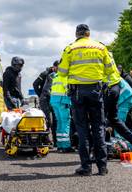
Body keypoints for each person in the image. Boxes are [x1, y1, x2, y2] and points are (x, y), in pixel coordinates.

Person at [58, 24, 111, 176]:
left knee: (82, 130)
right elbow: (109, 69)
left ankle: (86, 167)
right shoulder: (101, 47)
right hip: (96, 91)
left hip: (78, 93)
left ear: (77, 34)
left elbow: (62, 72)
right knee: (99, 128)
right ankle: (102, 167)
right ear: (89, 34)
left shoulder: (70, 48)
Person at [50, 73, 75, 153]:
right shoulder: (65, 75)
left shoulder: (56, 76)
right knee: (65, 122)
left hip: (54, 101)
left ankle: (60, 145)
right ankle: (66, 146)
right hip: (62, 101)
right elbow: (68, 89)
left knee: (59, 122)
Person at [38, 61, 59, 146]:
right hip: (45, 99)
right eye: (58, 68)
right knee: (48, 121)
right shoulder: (48, 74)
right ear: (54, 67)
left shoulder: (57, 75)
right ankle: (45, 140)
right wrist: (41, 95)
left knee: (55, 121)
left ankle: (55, 141)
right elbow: (36, 84)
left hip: (52, 99)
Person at [117, 65, 132, 134]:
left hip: (129, 99)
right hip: (123, 100)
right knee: (126, 119)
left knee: (127, 118)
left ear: (121, 70)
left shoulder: (126, 77)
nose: (118, 72)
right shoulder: (119, 77)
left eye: (119, 71)